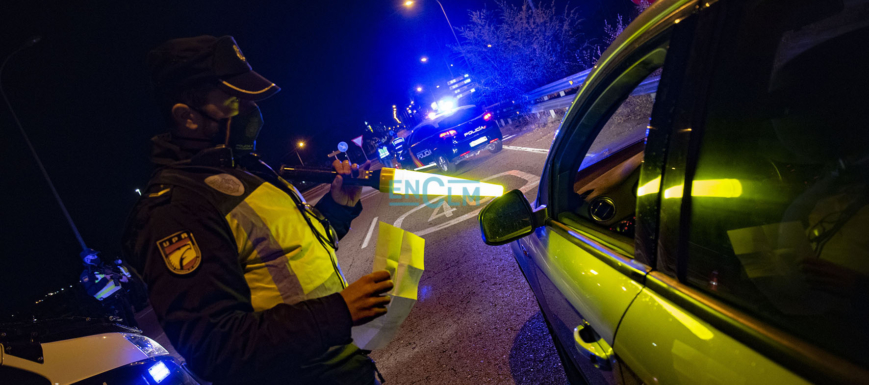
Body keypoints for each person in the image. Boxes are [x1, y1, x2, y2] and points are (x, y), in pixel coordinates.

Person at [122, 35, 392, 385]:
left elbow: (284, 257)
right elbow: (215, 349)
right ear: (187, 117)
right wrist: (337, 312)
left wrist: (338, 207)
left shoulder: (245, 171)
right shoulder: (176, 209)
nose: (252, 110)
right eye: (235, 100)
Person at [79, 248, 139, 328]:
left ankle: (139, 337)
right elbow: (91, 291)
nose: (96, 257)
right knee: (124, 326)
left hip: (121, 297)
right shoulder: (87, 274)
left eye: (96, 255)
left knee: (132, 320)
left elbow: (114, 278)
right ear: (87, 259)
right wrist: (105, 279)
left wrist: (121, 278)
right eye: (93, 256)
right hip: (110, 302)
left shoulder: (102, 268)